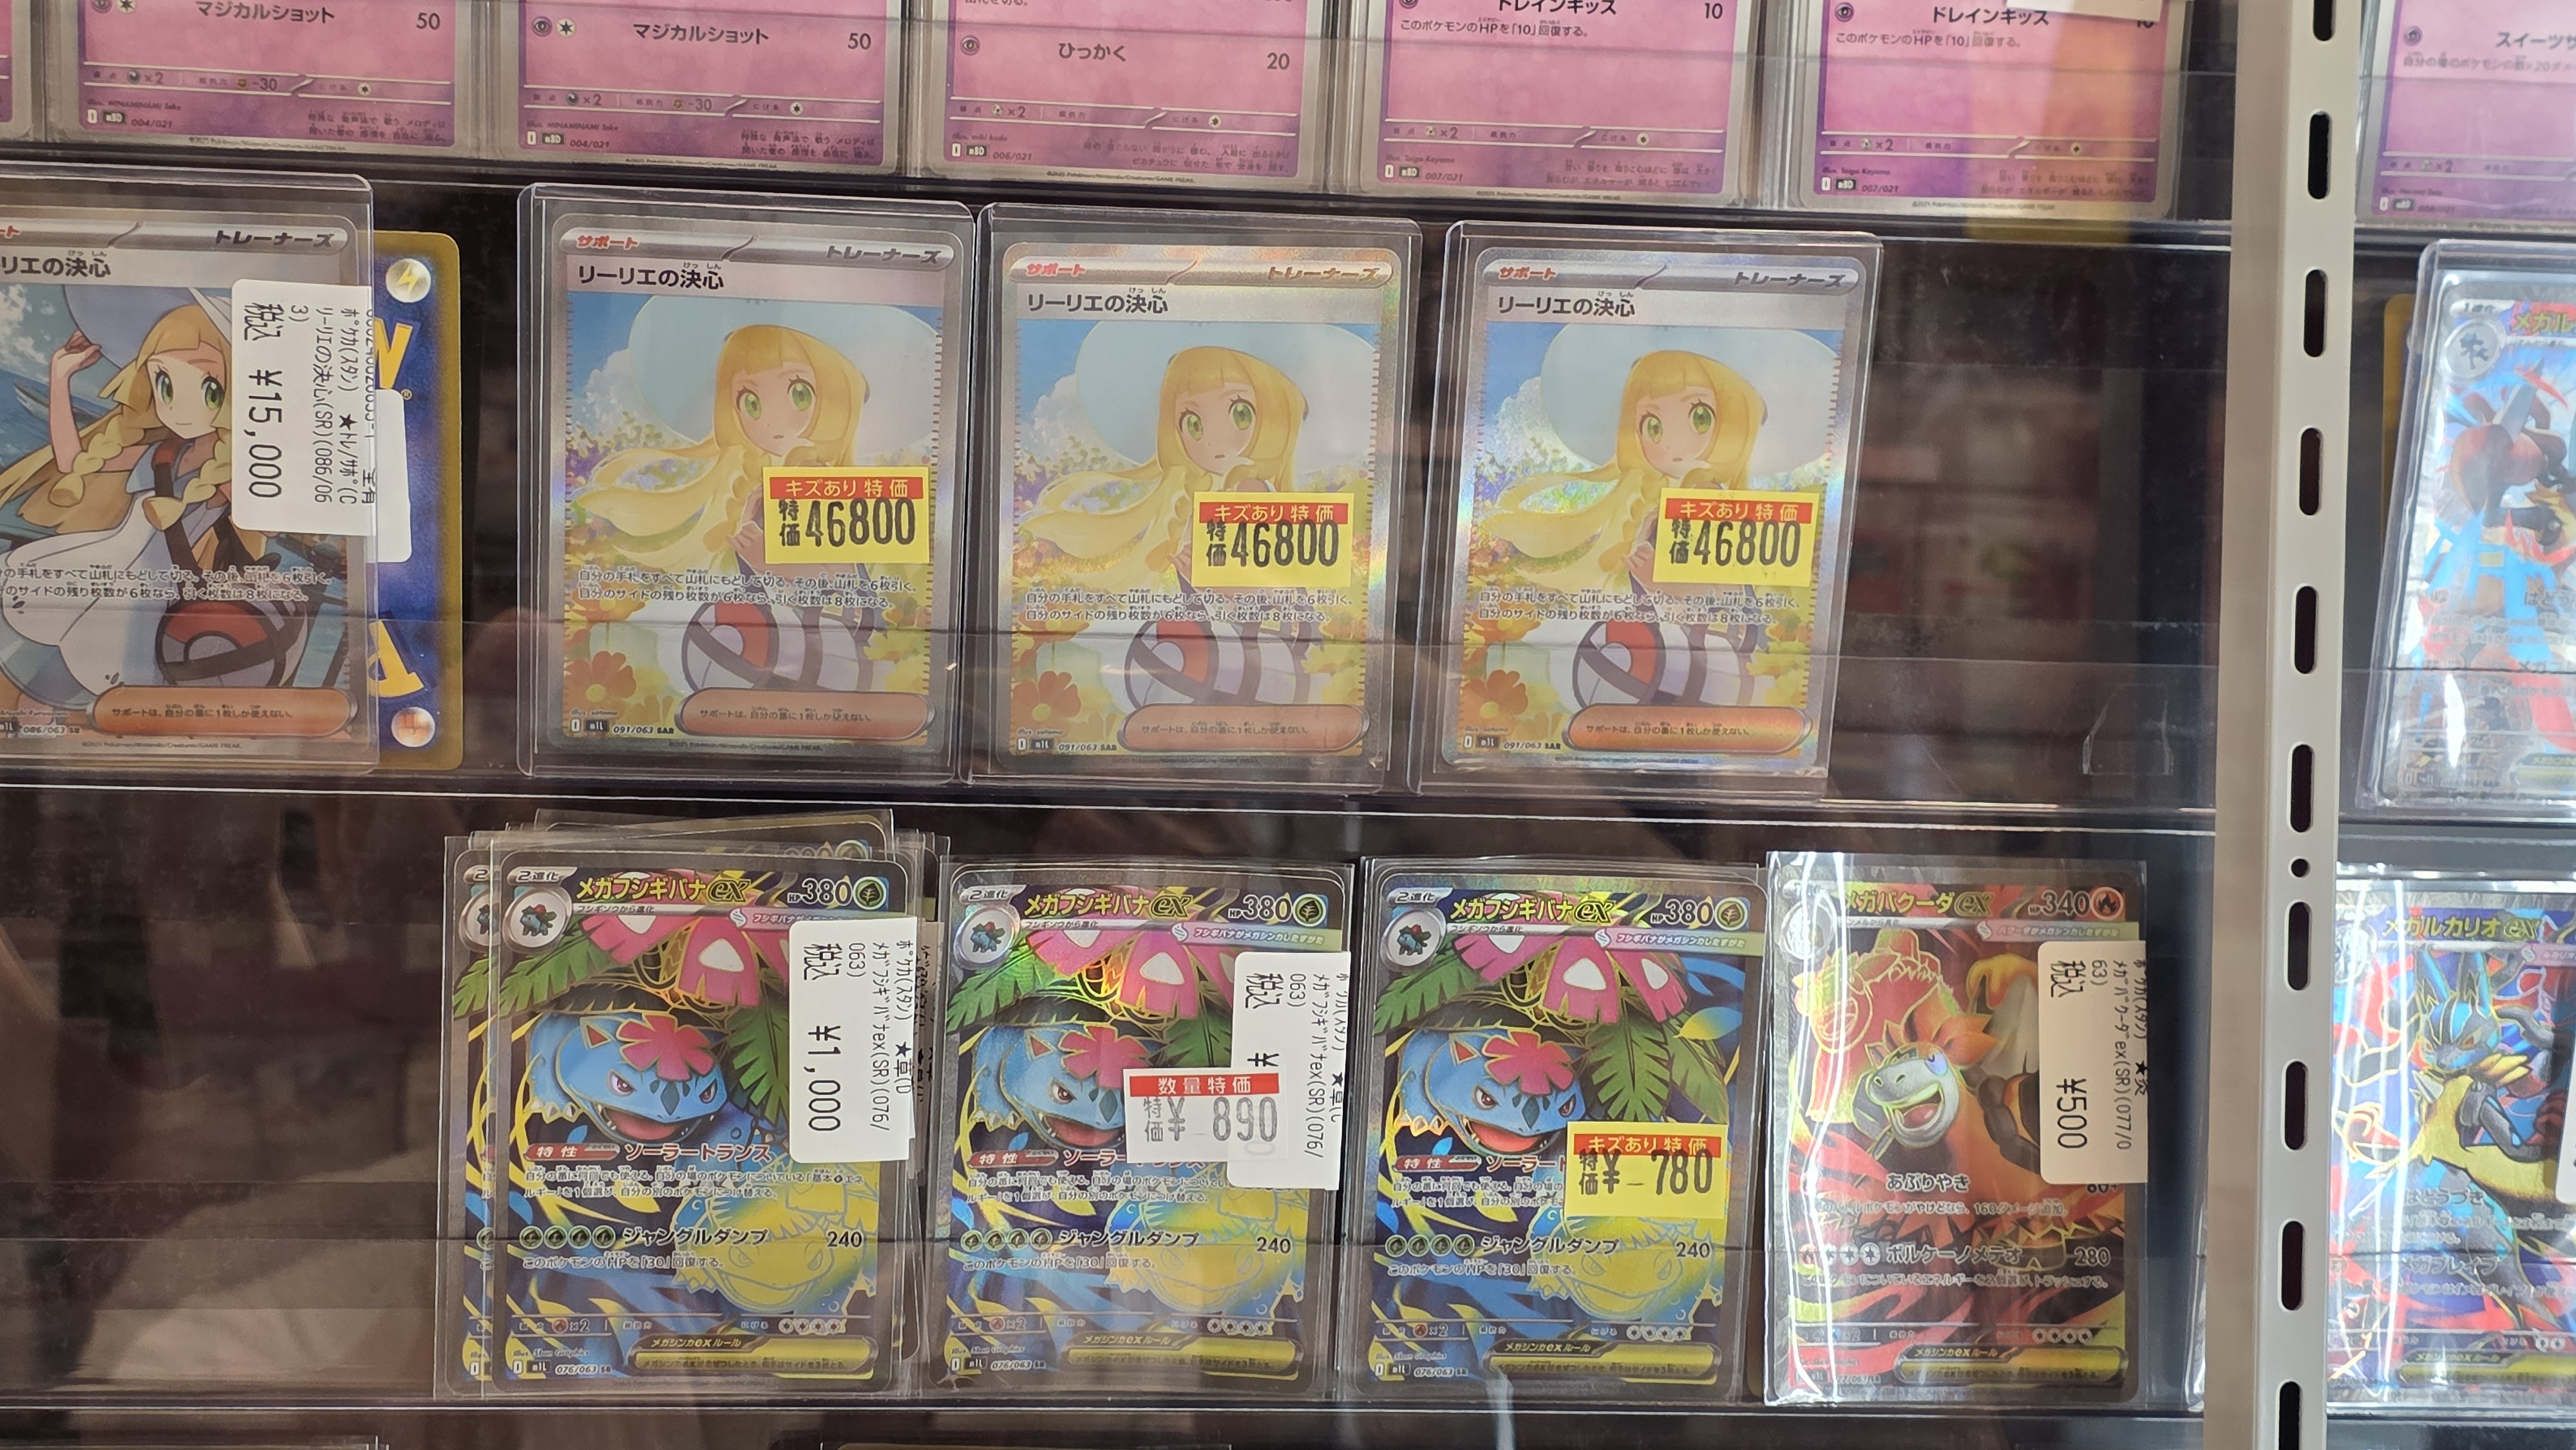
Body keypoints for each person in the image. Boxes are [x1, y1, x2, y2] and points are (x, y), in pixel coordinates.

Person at [0, 299, 240, 715]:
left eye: (208, 390)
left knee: (49, 696)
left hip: (140, 606)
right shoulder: (162, 451)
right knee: (30, 695)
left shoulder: (230, 472)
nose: (179, 407)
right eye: (166, 385)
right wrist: (60, 379)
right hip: (92, 571)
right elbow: (73, 461)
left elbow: (274, 519)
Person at [580, 323, 866, 574]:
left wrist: (772, 563)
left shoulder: (825, 485)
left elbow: (846, 579)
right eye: (751, 402)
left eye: (799, 394)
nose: (772, 420)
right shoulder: (764, 487)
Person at [1023, 345, 1305, 592]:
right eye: (1194, 424)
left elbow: (1274, 584)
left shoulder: (1251, 490)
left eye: (1240, 414)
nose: (1213, 440)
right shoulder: (1199, 498)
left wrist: (1211, 582)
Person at [1483, 349, 1765, 595]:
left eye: (1699, 419)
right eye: (1654, 427)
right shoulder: (1654, 504)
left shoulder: (1713, 503)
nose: (1672, 444)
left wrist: (1661, 582)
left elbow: (1730, 591)